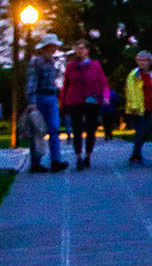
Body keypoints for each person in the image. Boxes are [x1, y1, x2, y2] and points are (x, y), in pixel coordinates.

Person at [59, 40, 110, 170]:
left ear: (87, 50)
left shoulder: (95, 65)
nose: (80, 51)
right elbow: (66, 84)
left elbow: (103, 82)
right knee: (77, 129)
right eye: (77, 48)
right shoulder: (71, 66)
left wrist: (105, 96)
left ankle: (88, 155)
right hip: (75, 100)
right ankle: (78, 156)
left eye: (82, 48)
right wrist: (62, 101)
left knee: (91, 128)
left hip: (92, 99)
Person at [24, 33, 66, 172]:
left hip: (51, 97)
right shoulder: (36, 61)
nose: (54, 49)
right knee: (38, 130)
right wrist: (32, 102)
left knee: (54, 129)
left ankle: (55, 160)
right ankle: (36, 163)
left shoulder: (53, 61)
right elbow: (32, 82)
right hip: (40, 97)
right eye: (52, 46)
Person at [123, 50, 152, 165]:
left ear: (149, 62)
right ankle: (135, 155)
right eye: (139, 60)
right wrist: (133, 106)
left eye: (144, 60)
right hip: (138, 107)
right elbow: (130, 91)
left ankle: (136, 154)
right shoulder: (134, 75)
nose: (142, 63)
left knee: (146, 131)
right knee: (140, 130)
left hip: (150, 107)